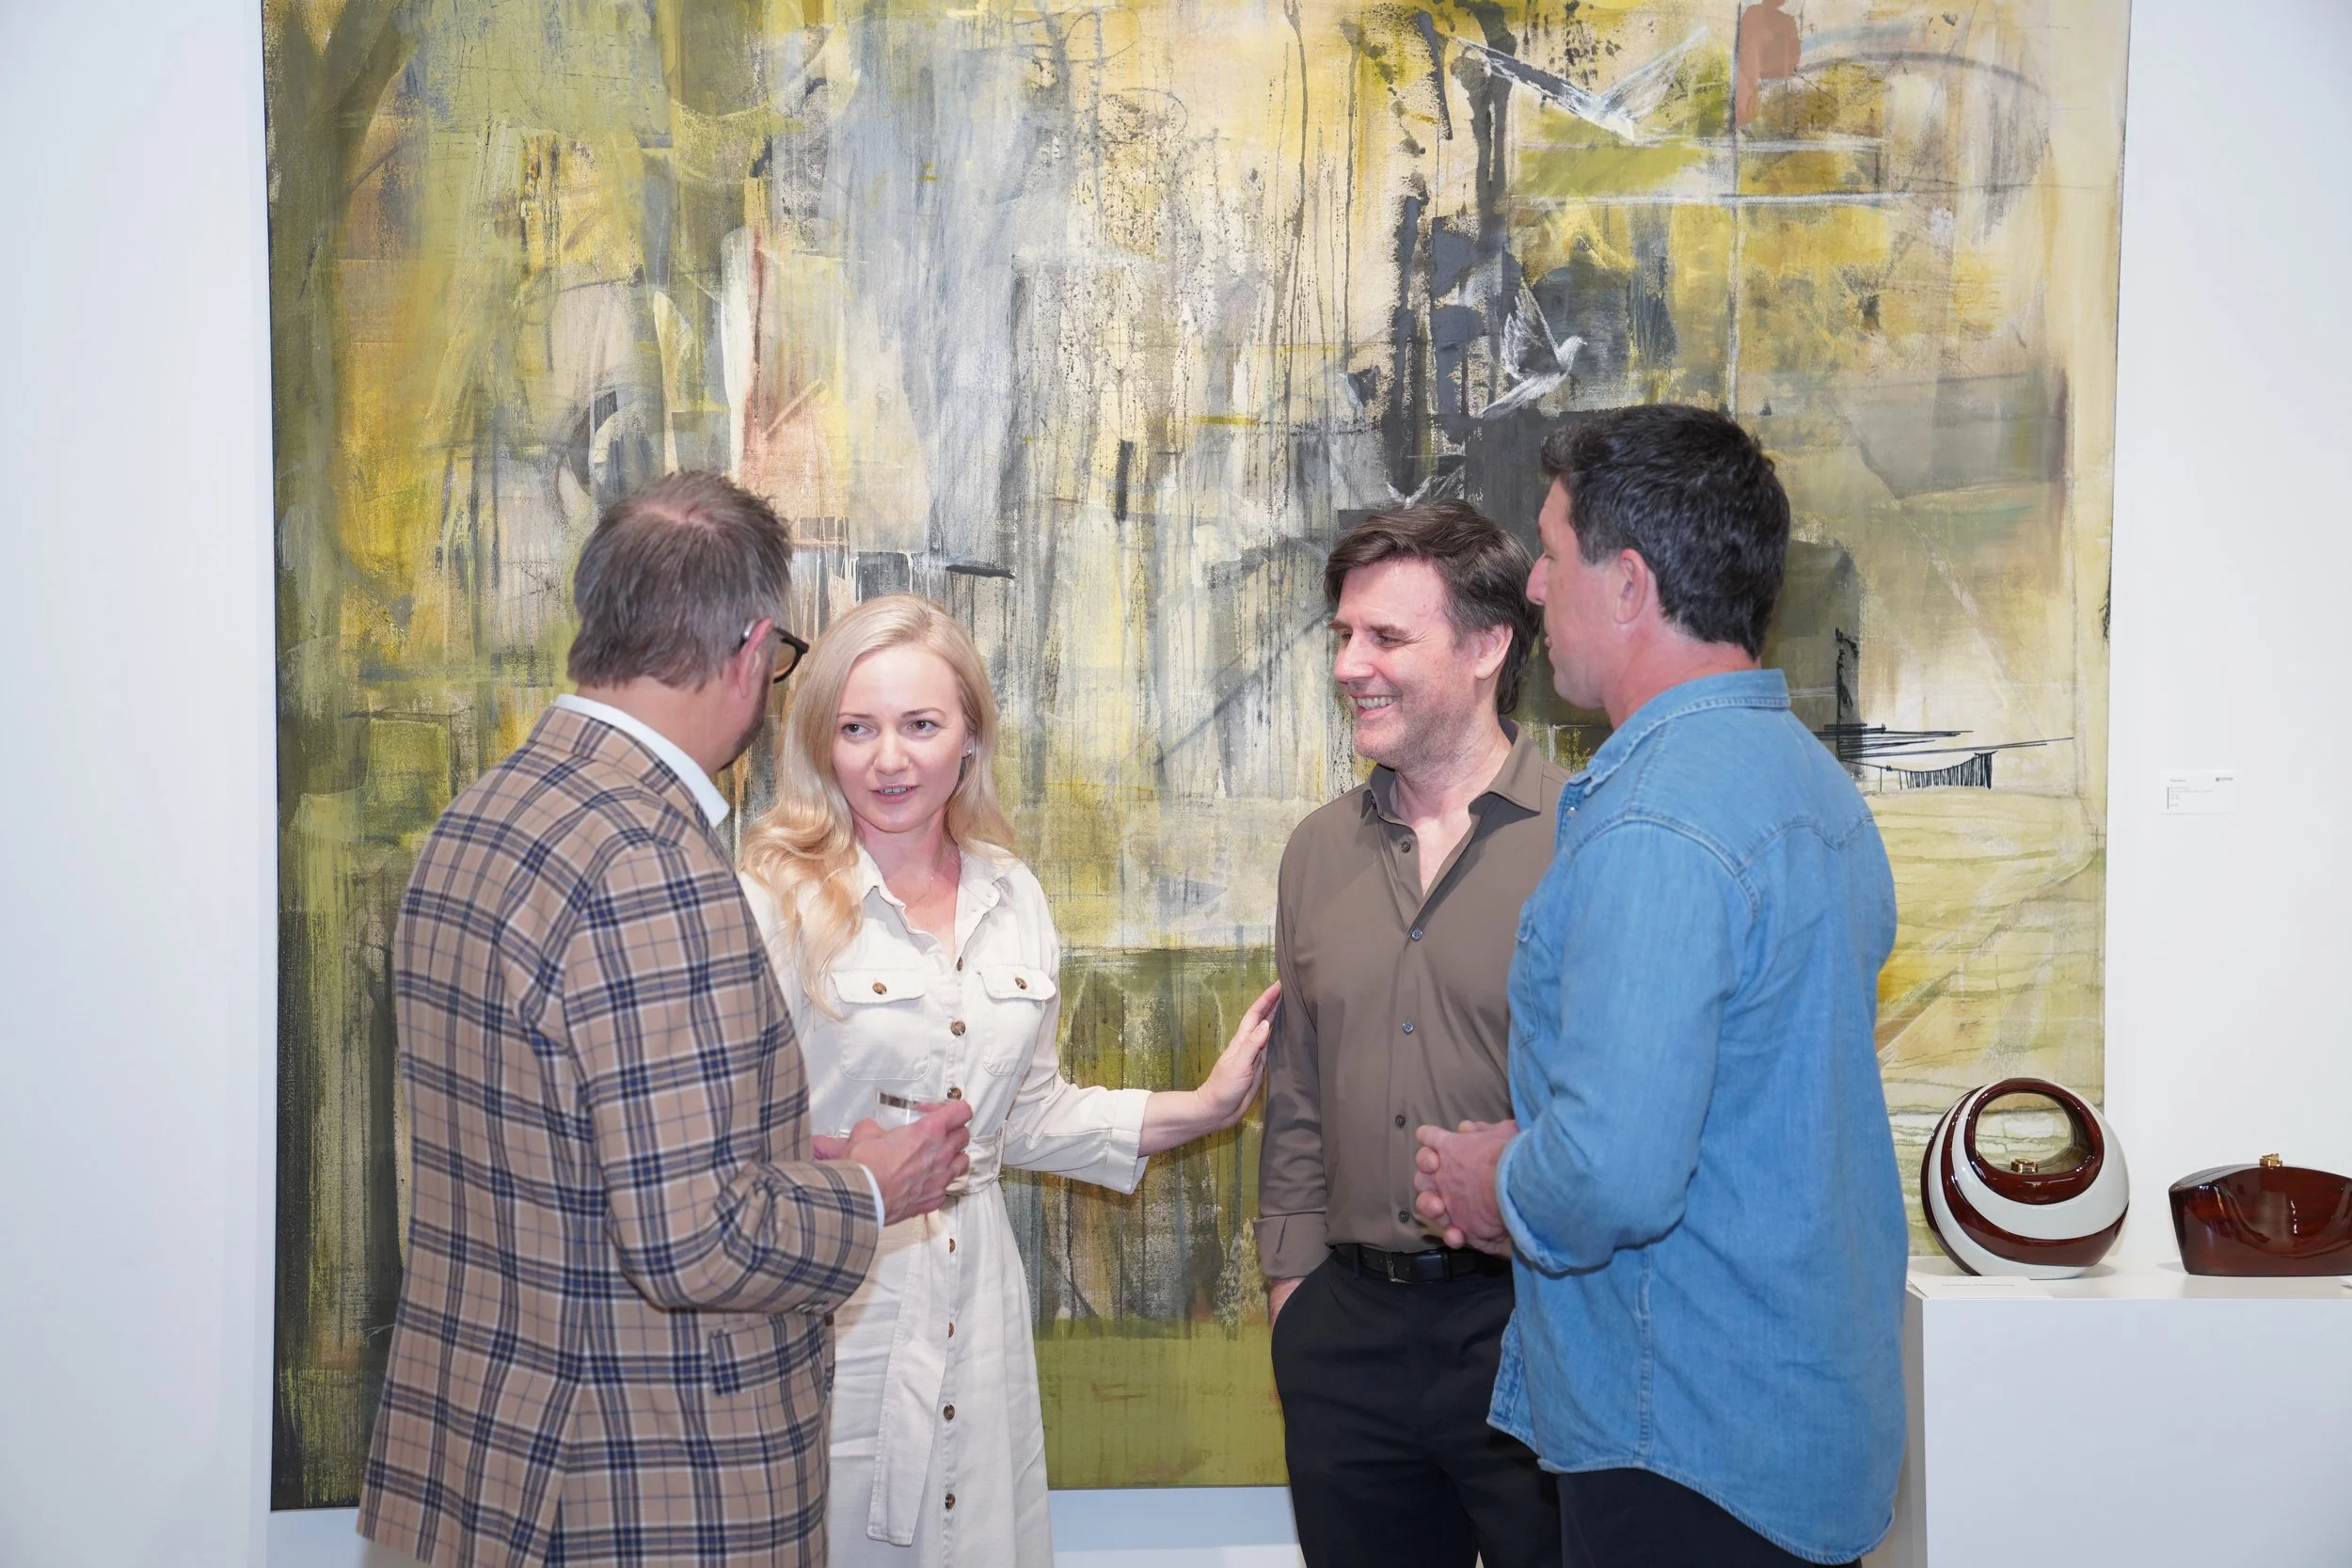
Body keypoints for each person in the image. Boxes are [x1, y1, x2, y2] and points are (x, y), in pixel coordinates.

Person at [358, 473, 973, 1568]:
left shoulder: (482, 815)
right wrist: (876, 1186)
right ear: (752, 650)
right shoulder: (649, 860)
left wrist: (776, 1152)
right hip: (641, 1486)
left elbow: (560, 1145)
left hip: (486, 1461)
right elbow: (696, 1242)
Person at [1411, 404, 1908, 1568]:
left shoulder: (1656, 820)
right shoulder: (1811, 786)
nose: (1535, 587)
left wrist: (1495, 1179)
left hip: (1686, 1439)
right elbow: (1737, 1107)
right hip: (1791, 1425)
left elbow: (1613, 1174)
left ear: (1629, 582)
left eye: (1551, 553)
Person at [736, 593, 1279, 1568]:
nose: (888, 759)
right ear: (819, 740)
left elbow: (1023, 1114)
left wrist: (1204, 1106)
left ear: (970, 738)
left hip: (979, 1303)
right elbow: (725, 1137)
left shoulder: (1011, 892)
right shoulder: (770, 896)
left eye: (920, 725)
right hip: (838, 1304)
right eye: (856, 729)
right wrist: (836, 1165)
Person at [1254, 502, 1565, 1568]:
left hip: (1530, 1328)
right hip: (1344, 1337)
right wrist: (1293, 1295)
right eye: (1344, 634)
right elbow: (1298, 1087)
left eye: (1386, 636)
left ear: (1487, 647)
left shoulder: (1588, 840)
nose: (1350, 664)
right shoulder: (1315, 851)